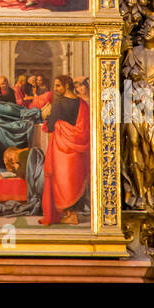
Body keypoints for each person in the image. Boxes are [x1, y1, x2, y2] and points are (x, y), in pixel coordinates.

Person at [41, 75, 90, 226]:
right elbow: (85, 128)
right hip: (76, 149)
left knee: (62, 181)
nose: (55, 89)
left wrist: (47, 118)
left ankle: (71, 215)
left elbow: (49, 127)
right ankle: (72, 213)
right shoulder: (82, 103)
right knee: (73, 179)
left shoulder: (59, 103)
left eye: (58, 86)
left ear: (66, 86)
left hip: (61, 148)